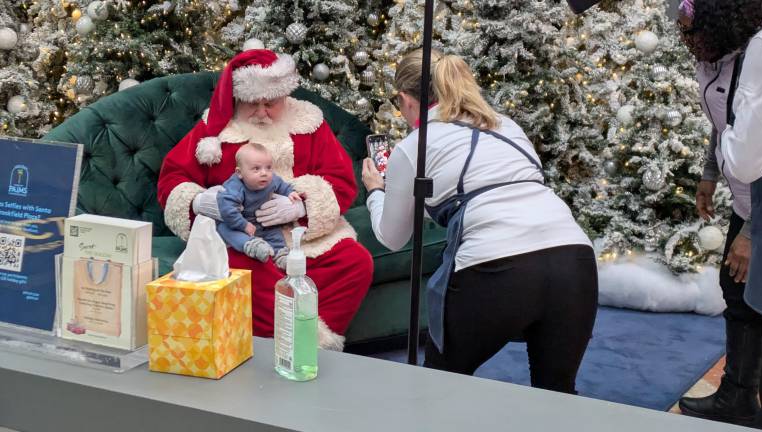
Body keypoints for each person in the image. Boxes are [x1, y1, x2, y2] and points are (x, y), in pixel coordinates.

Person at [362, 49, 598, 394]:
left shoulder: (414, 146)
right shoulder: (506, 125)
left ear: (404, 99)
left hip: (495, 267)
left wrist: (375, 192)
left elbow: (392, 236)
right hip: (573, 258)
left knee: (439, 387)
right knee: (556, 394)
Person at [157, 49, 373, 351]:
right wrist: (197, 202)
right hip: (243, 237)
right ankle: (289, 347)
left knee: (356, 262)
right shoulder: (215, 131)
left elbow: (340, 180)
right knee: (246, 272)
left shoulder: (308, 123)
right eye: (252, 104)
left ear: (283, 96)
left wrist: (300, 206)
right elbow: (173, 178)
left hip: (305, 238)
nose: (261, 112)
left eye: (269, 104)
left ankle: (314, 344)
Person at [676, 0, 762, 426]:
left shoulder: (758, 60)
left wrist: (752, 231)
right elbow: (721, 123)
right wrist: (709, 175)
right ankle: (740, 396)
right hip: (748, 196)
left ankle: (746, 398)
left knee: (752, 294)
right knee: (737, 291)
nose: (687, 38)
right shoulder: (715, 60)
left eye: (693, 30)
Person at [216, 143, 302, 269]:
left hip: (264, 221)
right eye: (256, 169)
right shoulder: (234, 187)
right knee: (225, 229)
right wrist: (243, 225)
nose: (264, 173)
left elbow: (282, 185)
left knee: (275, 233)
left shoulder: (271, 181)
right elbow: (227, 210)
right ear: (240, 173)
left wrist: (290, 192)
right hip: (239, 222)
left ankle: (281, 255)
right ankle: (251, 245)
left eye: (268, 168)